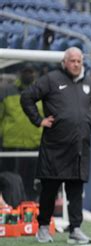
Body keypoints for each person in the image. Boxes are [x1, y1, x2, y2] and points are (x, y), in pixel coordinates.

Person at [21, 47, 91, 244]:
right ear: (64, 62)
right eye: (72, 61)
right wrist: (38, 120)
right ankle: (43, 228)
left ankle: (75, 229)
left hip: (79, 148)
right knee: (49, 189)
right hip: (54, 147)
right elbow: (27, 97)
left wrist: (90, 119)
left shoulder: (89, 83)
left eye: (79, 61)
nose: (76, 64)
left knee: (75, 190)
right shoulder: (51, 79)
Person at [0, 64, 43, 200]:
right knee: (9, 182)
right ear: (19, 73)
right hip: (10, 147)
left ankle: (29, 211)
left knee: (30, 184)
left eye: (31, 72)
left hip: (34, 147)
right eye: (26, 71)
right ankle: (9, 209)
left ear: (35, 74)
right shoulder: (6, 91)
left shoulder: (42, 92)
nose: (28, 74)